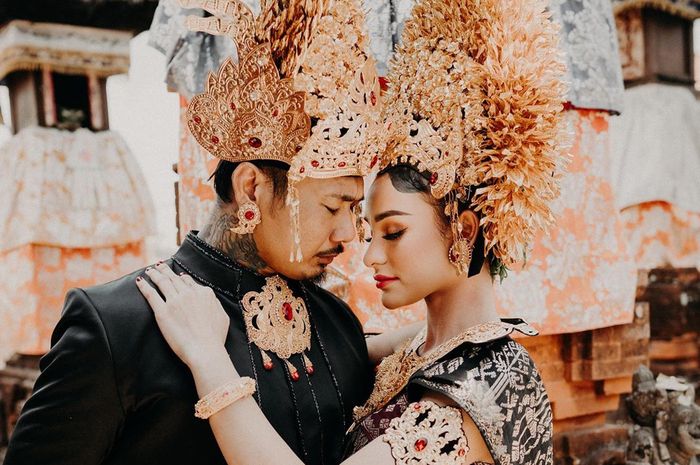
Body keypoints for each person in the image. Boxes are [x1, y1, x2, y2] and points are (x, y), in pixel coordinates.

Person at [135, 0, 570, 463]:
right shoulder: (426, 349)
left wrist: (209, 359)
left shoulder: (482, 389)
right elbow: (357, 348)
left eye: (393, 232)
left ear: (463, 230)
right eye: (369, 230)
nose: (368, 256)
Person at [4, 1, 415, 464]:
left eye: (354, 209)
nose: (348, 234)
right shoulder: (119, 323)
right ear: (251, 187)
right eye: (332, 206)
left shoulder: (336, 322)